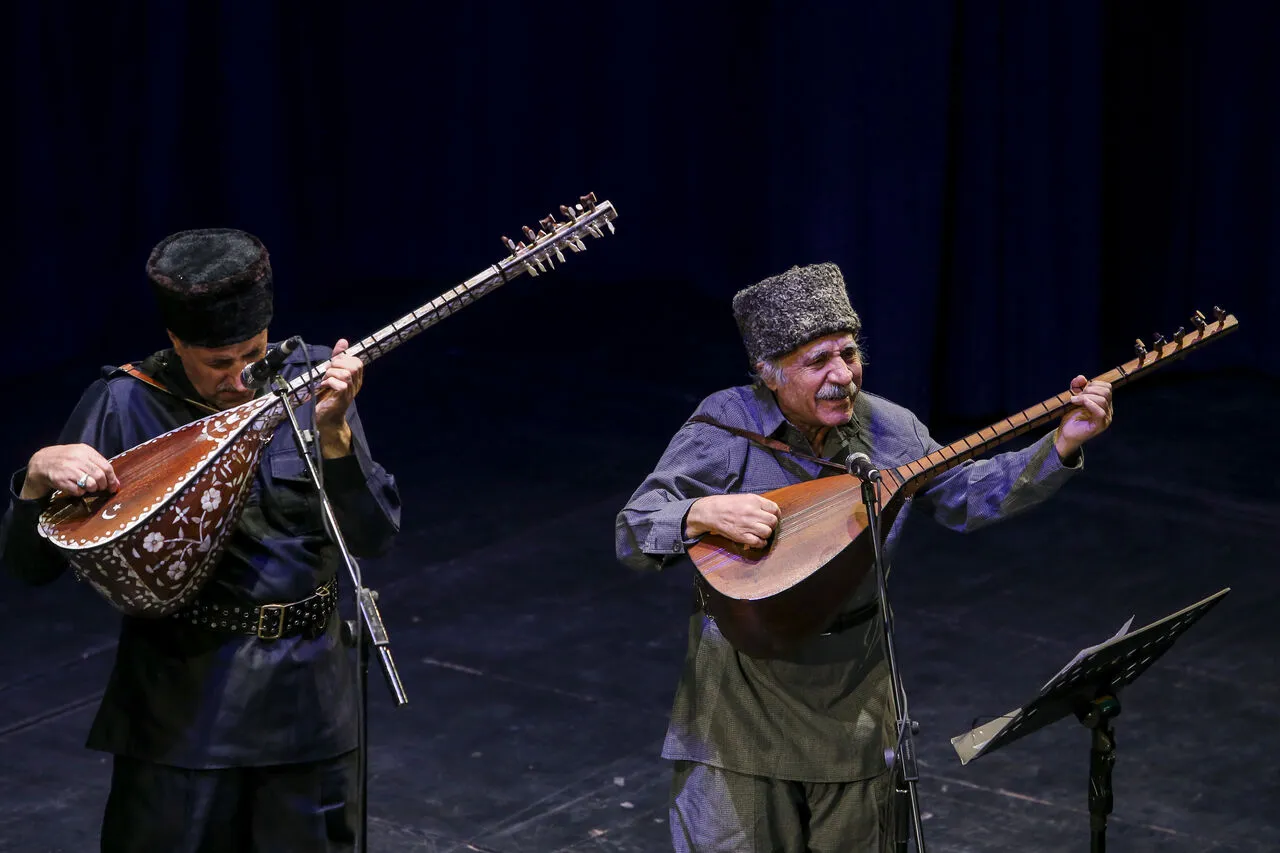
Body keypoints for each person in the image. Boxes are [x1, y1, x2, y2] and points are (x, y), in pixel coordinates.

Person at [615, 262, 1113, 853]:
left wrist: (1062, 443)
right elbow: (634, 530)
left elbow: (967, 495)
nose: (842, 376)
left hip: (851, 694)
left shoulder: (889, 429)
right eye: (817, 362)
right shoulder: (725, 428)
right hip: (739, 700)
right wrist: (700, 514)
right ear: (769, 373)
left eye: (848, 354)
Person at [0, 228, 401, 852]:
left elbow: (373, 537)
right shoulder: (125, 403)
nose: (241, 379)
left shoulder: (316, 384)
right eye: (219, 363)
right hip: (184, 708)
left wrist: (334, 436)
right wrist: (34, 479)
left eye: (255, 354)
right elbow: (29, 568)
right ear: (177, 341)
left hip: (308, 703)